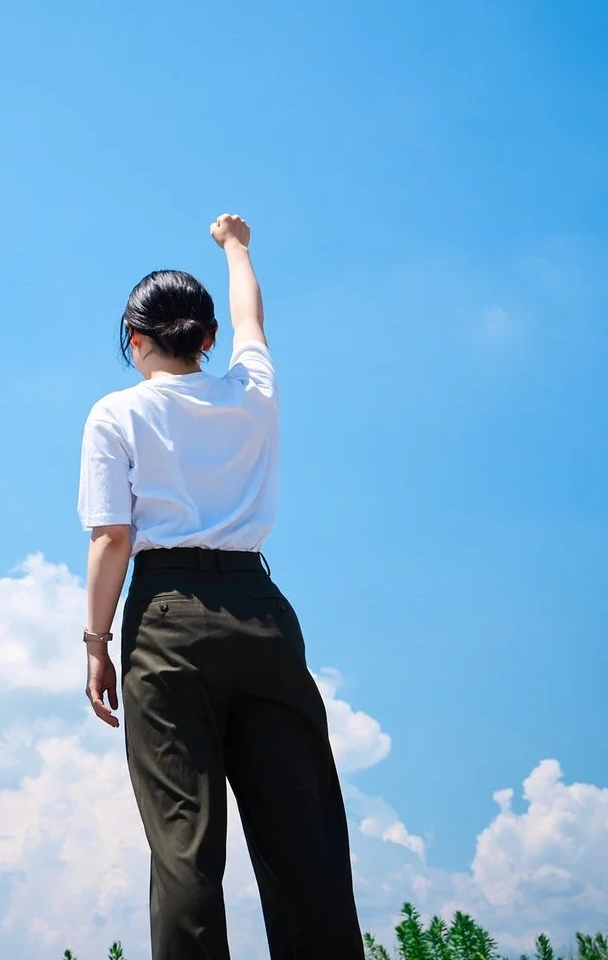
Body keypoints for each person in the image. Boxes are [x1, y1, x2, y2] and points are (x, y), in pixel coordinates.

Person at [79, 215, 360, 960]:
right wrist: (237, 246)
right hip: (263, 617)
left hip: (167, 621)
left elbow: (112, 538)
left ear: (135, 339)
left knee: (185, 846)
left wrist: (96, 642)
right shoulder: (253, 394)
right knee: (305, 842)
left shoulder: (116, 413)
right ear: (205, 339)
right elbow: (252, 318)